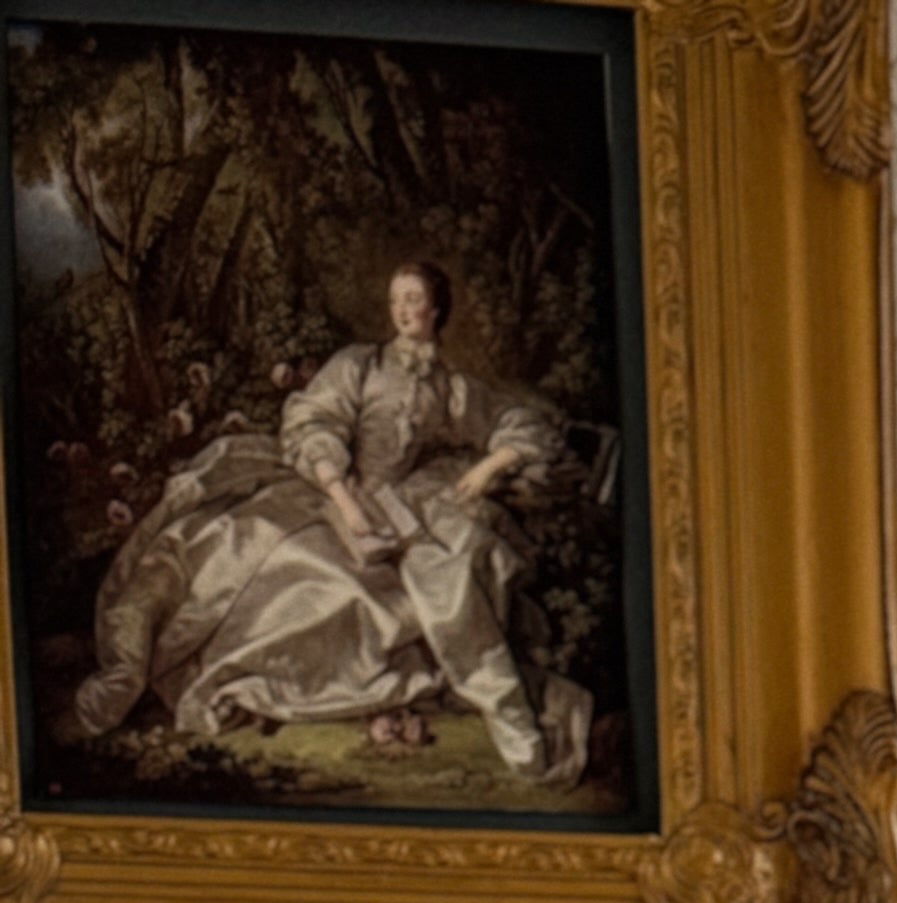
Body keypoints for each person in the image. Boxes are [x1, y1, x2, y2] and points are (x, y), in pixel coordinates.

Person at [71, 261, 590, 786]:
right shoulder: (359, 365)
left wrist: (489, 464)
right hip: (331, 490)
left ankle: (498, 710)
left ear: (436, 309)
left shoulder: (452, 386)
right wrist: (346, 502)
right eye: (396, 301)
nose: (403, 310)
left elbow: (520, 423)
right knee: (271, 555)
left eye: (414, 300)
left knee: (443, 579)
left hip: (407, 503)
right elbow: (313, 422)